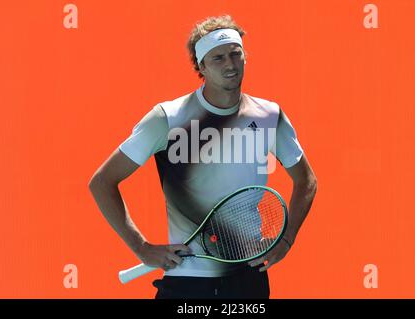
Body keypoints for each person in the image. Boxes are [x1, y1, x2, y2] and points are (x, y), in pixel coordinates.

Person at [89, 15, 317, 299]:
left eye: (236, 54)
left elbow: (306, 180)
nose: (231, 65)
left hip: (247, 278)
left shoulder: (270, 116)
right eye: (218, 58)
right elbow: (102, 182)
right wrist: (141, 247)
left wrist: (286, 240)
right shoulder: (167, 118)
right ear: (201, 67)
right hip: (186, 281)